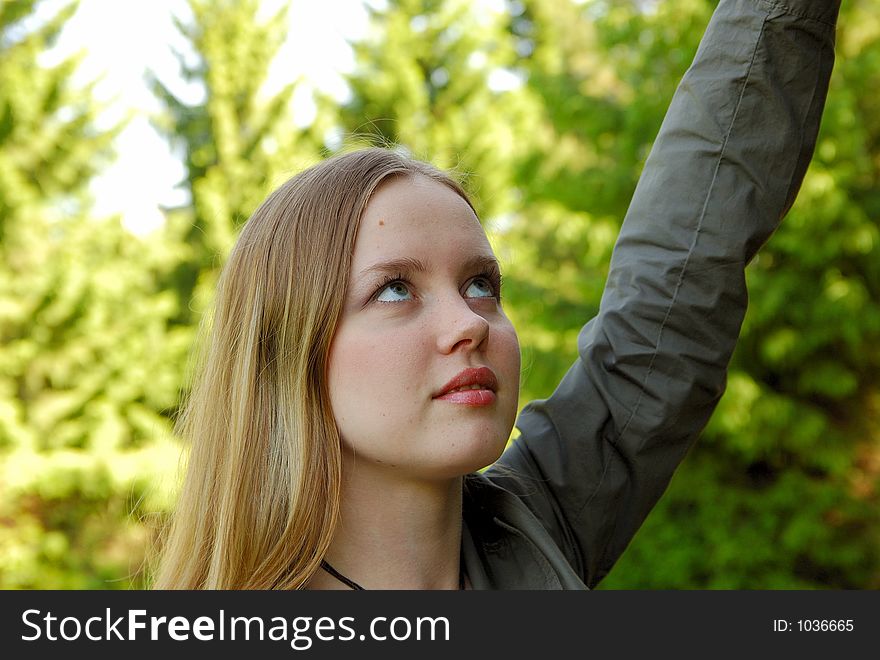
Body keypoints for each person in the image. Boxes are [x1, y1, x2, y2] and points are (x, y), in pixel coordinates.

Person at [153, 0, 841, 590]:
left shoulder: (536, 533)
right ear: (287, 355)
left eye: (480, 284)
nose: (468, 323)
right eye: (395, 289)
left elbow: (676, 290)